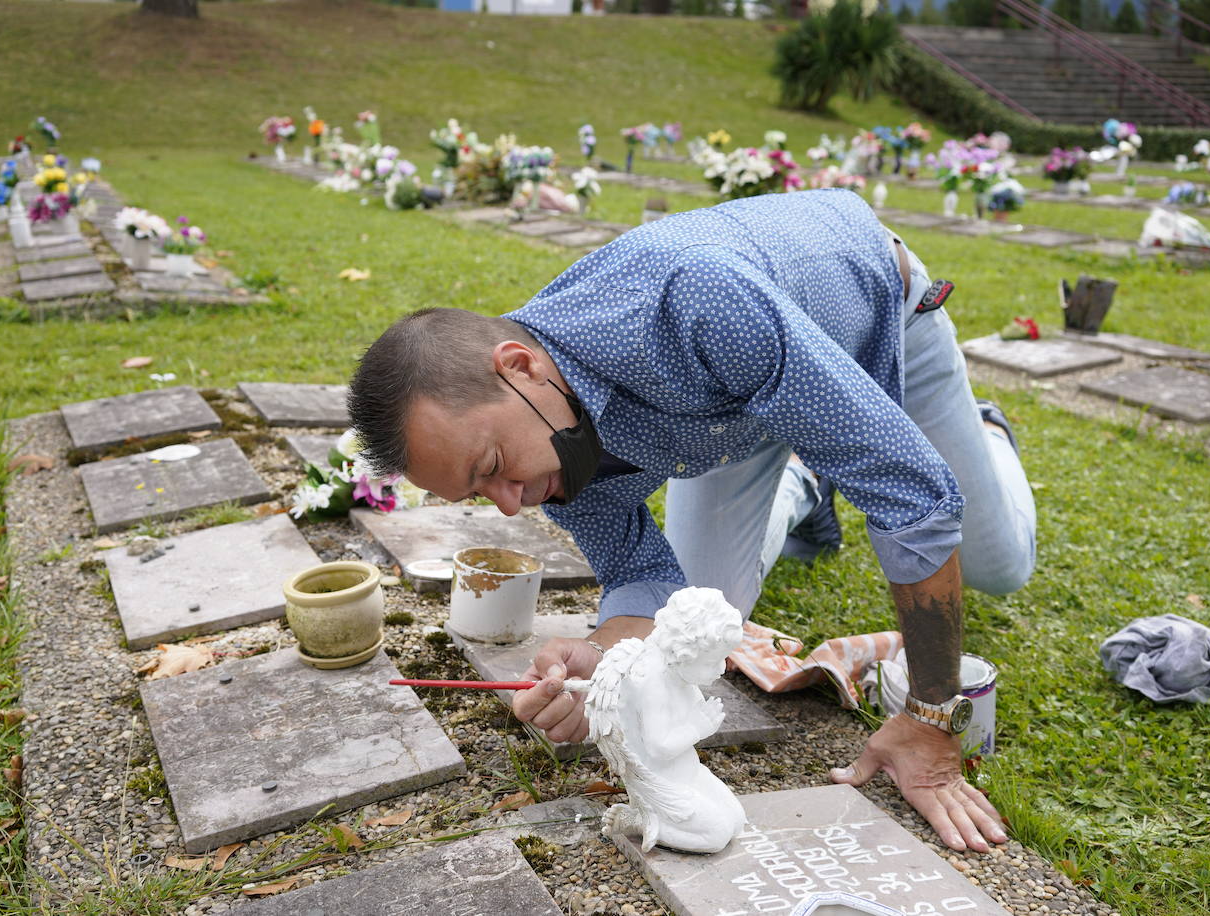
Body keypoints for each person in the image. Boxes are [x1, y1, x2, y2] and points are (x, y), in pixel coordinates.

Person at [348, 189, 1035, 853]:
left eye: (494, 464)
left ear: (520, 367)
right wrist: (605, 663)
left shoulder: (691, 302)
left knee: (996, 564)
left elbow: (911, 501)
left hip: (877, 317)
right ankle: (803, 474)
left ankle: (980, 435)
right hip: (738, 398)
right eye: (480, 495)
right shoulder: (547, 436)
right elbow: (641, 573)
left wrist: (930, 718)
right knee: (694, 625)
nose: (510, 502)